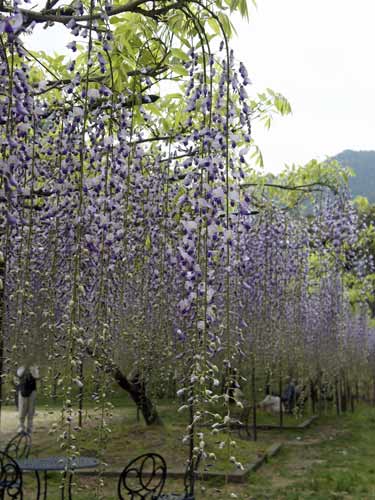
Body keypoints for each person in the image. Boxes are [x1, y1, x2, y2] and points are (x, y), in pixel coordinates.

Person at [16, 363, 40, 435]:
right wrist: (25, 366)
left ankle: (30, 428)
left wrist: (32, 368)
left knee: (31, 411)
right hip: (22, 391)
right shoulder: (21, 367)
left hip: (32, 391)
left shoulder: (34, 367)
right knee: (22, 410)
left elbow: (37, 376)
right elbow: (19, 374)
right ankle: (21, 427)